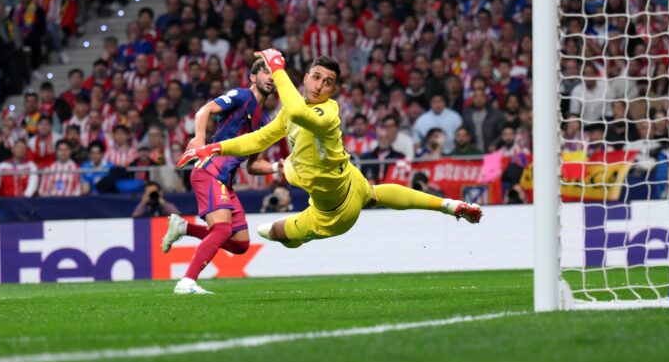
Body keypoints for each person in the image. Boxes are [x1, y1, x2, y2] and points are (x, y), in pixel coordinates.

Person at [179, 50, 481, 253]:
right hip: (349, 178)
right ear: (305, 78)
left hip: (334, 212)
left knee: (275, 234)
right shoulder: (291, 110)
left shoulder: (327, 113)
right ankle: (449, 205)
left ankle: (304, 231)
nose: (319, 85)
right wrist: (214, 147)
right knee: (375, 193)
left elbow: (298, 113)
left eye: (328, 82)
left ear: (333, 90)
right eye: (316, 77)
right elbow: (258, 139)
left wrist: (278, 69)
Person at [160, 58, 281, 295]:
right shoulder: (241, 96)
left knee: (240, 244)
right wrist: (199, 139)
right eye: (265, 72)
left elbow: (254, 165)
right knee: (223, 229)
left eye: (274, 74)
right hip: (210, 169)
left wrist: (278, 166)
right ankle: (187, 282)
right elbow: (204, 110)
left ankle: (184, 228)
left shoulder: (265, 122)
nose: (271, 77)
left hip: (225, 180)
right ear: (253, 77)